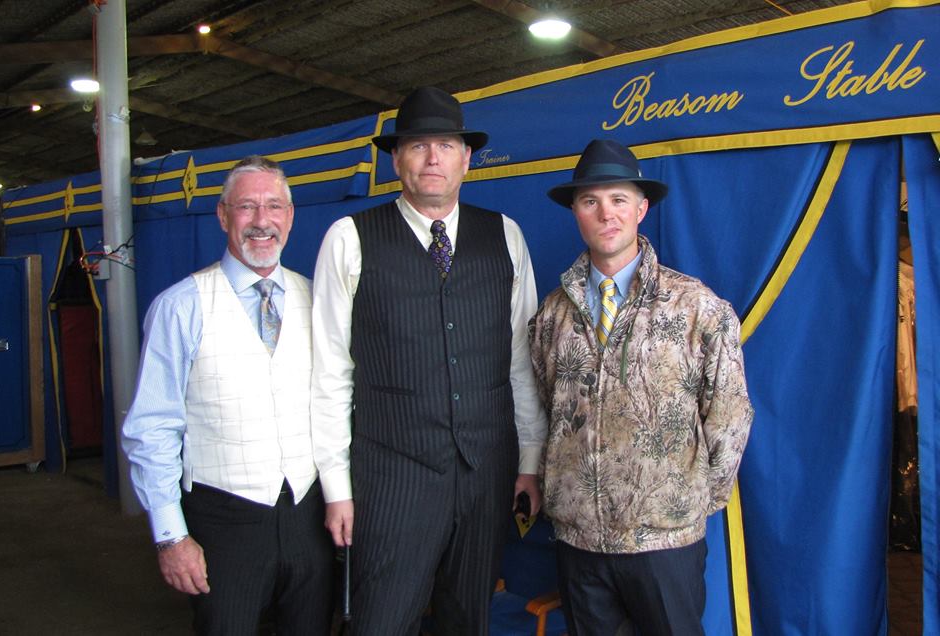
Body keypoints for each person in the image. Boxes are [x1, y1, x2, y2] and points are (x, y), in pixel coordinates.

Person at [311, 86, 546, 635]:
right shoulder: (349, 239)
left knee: (468, 620)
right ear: (397, 160)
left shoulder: (505, 236)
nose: (433, 157)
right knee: (380, 623)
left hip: (486, 473)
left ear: (467, 158)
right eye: (419, 146)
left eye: (446, 145)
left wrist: (529, 462)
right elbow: (329, 374)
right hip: (392, 476)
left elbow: (521, 362)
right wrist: (335, 487)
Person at [529, 139, 755, 636]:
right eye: (590, 201)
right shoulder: (551, 316)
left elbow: (730, 416)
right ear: (575, 212)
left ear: (641, 209)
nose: (605, 212)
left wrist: (686, 504)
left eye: (618, 199)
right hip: (578, 541)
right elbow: (549, 408)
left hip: (666, 544)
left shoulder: (696, 307)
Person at [121, 155, 334, 634]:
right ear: (222, 216)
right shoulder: (180, 307)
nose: (262, 221)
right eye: (247, 207)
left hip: (308, 516)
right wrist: (170, 536)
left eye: (274, 207)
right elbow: (151, 428)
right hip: (223, 521)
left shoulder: (318, 298)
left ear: (291, 217)